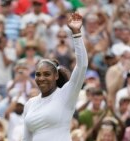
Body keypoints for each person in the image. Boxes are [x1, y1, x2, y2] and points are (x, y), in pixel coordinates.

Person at [23, 13, 88, 141]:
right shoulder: (30, 104)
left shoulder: (66, 94)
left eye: (47, 74)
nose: (41, 78)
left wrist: (76, 34)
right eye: (38, 74)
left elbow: (82, 66)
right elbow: (26, 138)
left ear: (56, 76)